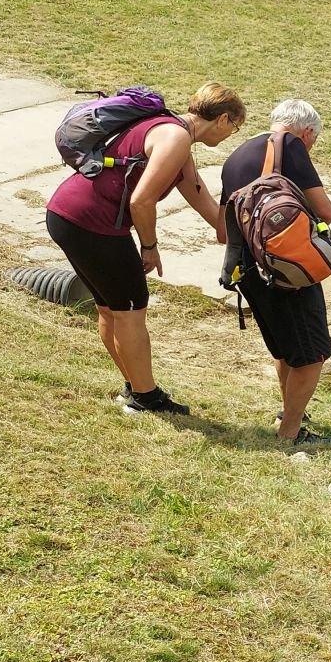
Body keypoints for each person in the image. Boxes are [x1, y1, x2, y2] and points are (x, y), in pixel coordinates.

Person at [45, 82, 244, 414]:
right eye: (234, 127)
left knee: (112, 309)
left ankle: (135, 386)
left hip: (68, 215)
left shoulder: (173, 133)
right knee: (131, 308)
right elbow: (141, 202)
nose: (230, 135)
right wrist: (149, 246)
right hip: (93, 224)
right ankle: (145, 399)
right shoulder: (175, 138)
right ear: (223, 118)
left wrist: (238, 237)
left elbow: (200, 199)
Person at [219, 99, 331, 449]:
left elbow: (223, 229)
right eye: (313, 140)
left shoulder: (238, 154)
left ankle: (289, 413)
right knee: (313, 354)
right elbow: (325, 212)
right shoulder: (290, 146)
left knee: (286, 349)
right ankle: (290, 432)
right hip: (285, 269)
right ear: (306, 132)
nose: (311, 146)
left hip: (248, 270)